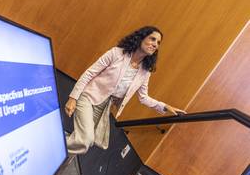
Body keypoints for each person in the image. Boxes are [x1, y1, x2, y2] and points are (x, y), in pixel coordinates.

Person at [64, 26, 184, 155]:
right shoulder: (116, 53)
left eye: (158, 43)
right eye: (153, 39)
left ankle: (56, 167)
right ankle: (49, 145)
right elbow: (89, 74)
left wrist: (164, 106)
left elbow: (143, 97)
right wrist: (73, 98)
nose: (155, 45)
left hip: (105, 107)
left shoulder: (145, 71)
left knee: (79, 141)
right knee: (85, 140)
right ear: (141, 38)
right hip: (88, 97)